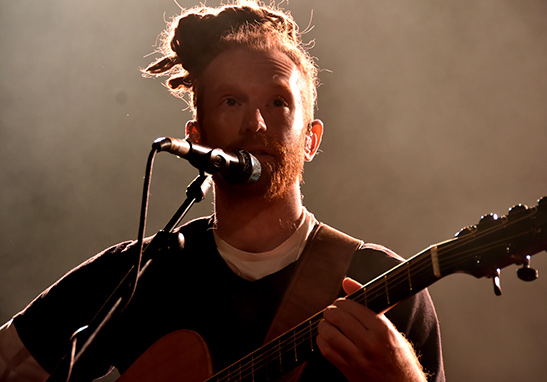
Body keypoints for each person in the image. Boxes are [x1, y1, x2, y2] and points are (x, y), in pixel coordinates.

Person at [0, 1, 444, 381]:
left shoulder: (381, 284)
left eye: (278, 102)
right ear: (197, 138)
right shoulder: (140, 275)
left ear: (311, 139)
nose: (255, 124)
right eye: (231, 102)